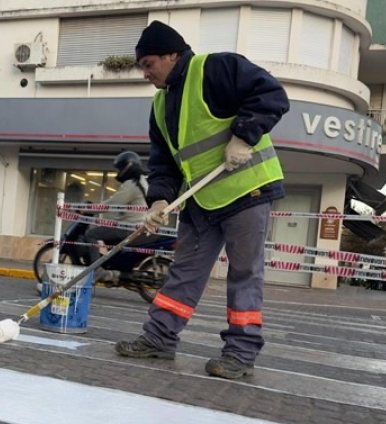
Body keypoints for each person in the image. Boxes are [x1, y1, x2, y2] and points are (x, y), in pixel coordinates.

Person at [114, 21, 289, 380]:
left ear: (171, 55)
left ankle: (240, 353)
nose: (145, 73)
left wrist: (244, 135)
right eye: (141, 67)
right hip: (203, 199)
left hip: (247, 190)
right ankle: (159, 340)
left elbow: (271, 94)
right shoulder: (160, 105)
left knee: (243, 274)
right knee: (184, 273)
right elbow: (164, 160)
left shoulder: (215, 68)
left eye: (149, 64)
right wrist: (159, 200)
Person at [84, 151, 150, 285]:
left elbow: (113, 204)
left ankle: (97, 270)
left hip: (129, 227)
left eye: (120, 169)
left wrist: (87, 209)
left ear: (128, 166)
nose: (119, 172)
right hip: (140, 226)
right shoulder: (144, 181)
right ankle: (111, 269)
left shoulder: (132, 184)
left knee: (91, 234)